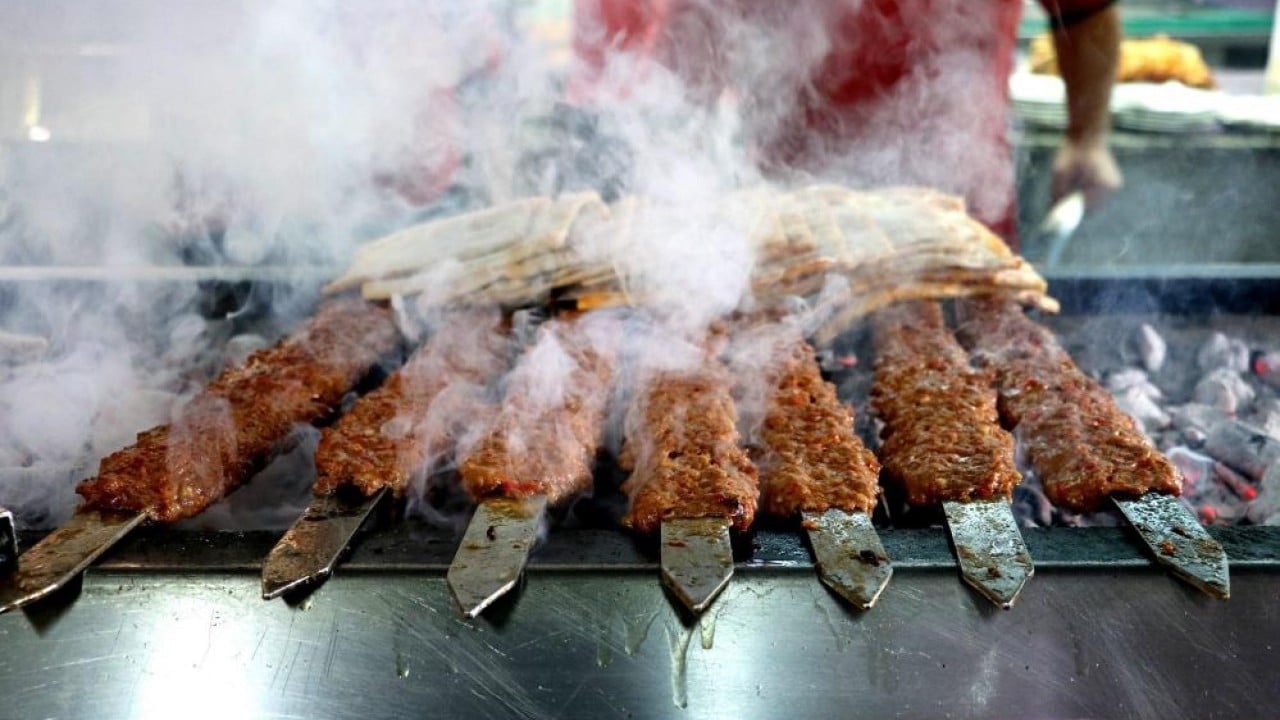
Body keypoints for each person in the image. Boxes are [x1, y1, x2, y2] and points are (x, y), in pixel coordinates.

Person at [569, 0, 1123, 248]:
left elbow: (1083, 11)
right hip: (787, 213)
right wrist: (672, 187)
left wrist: (1088, 137)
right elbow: (689, 57)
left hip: (957, 205)